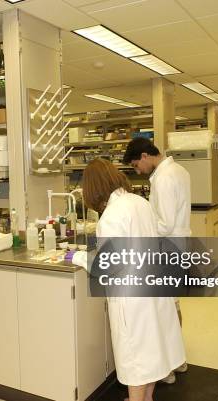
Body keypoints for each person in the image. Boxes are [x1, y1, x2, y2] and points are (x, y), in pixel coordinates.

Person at [81, 158, 186, 401]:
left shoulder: (110, 216)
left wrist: (76, 256)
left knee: (136, 359)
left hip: (131, 297)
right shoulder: (140, 202)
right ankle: (146, 398)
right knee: (151, 352)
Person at [123, 137, 191, 383]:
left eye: (135, 166)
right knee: (172, 306)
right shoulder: (179, 170)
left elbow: (165, 223)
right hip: (178, 245)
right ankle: (177, 360)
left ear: (144, 156)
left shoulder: (163, 178)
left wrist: (141, 222)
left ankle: (167, 369)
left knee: (163, 310)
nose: (137, 171)